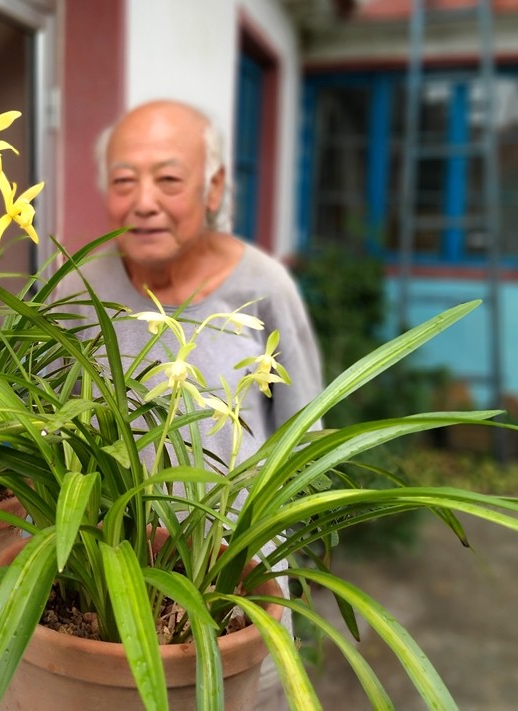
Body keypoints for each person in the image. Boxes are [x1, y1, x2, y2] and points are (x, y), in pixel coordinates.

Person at [56, 100, 324, 710]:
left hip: (240, 593)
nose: (143, 201)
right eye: (124, 181)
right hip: (108, 595)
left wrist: (283, 580)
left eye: (169, 179)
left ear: (214, 187)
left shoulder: (264, 288)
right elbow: (42, 429)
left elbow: (304, 445)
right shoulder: (75, 291)